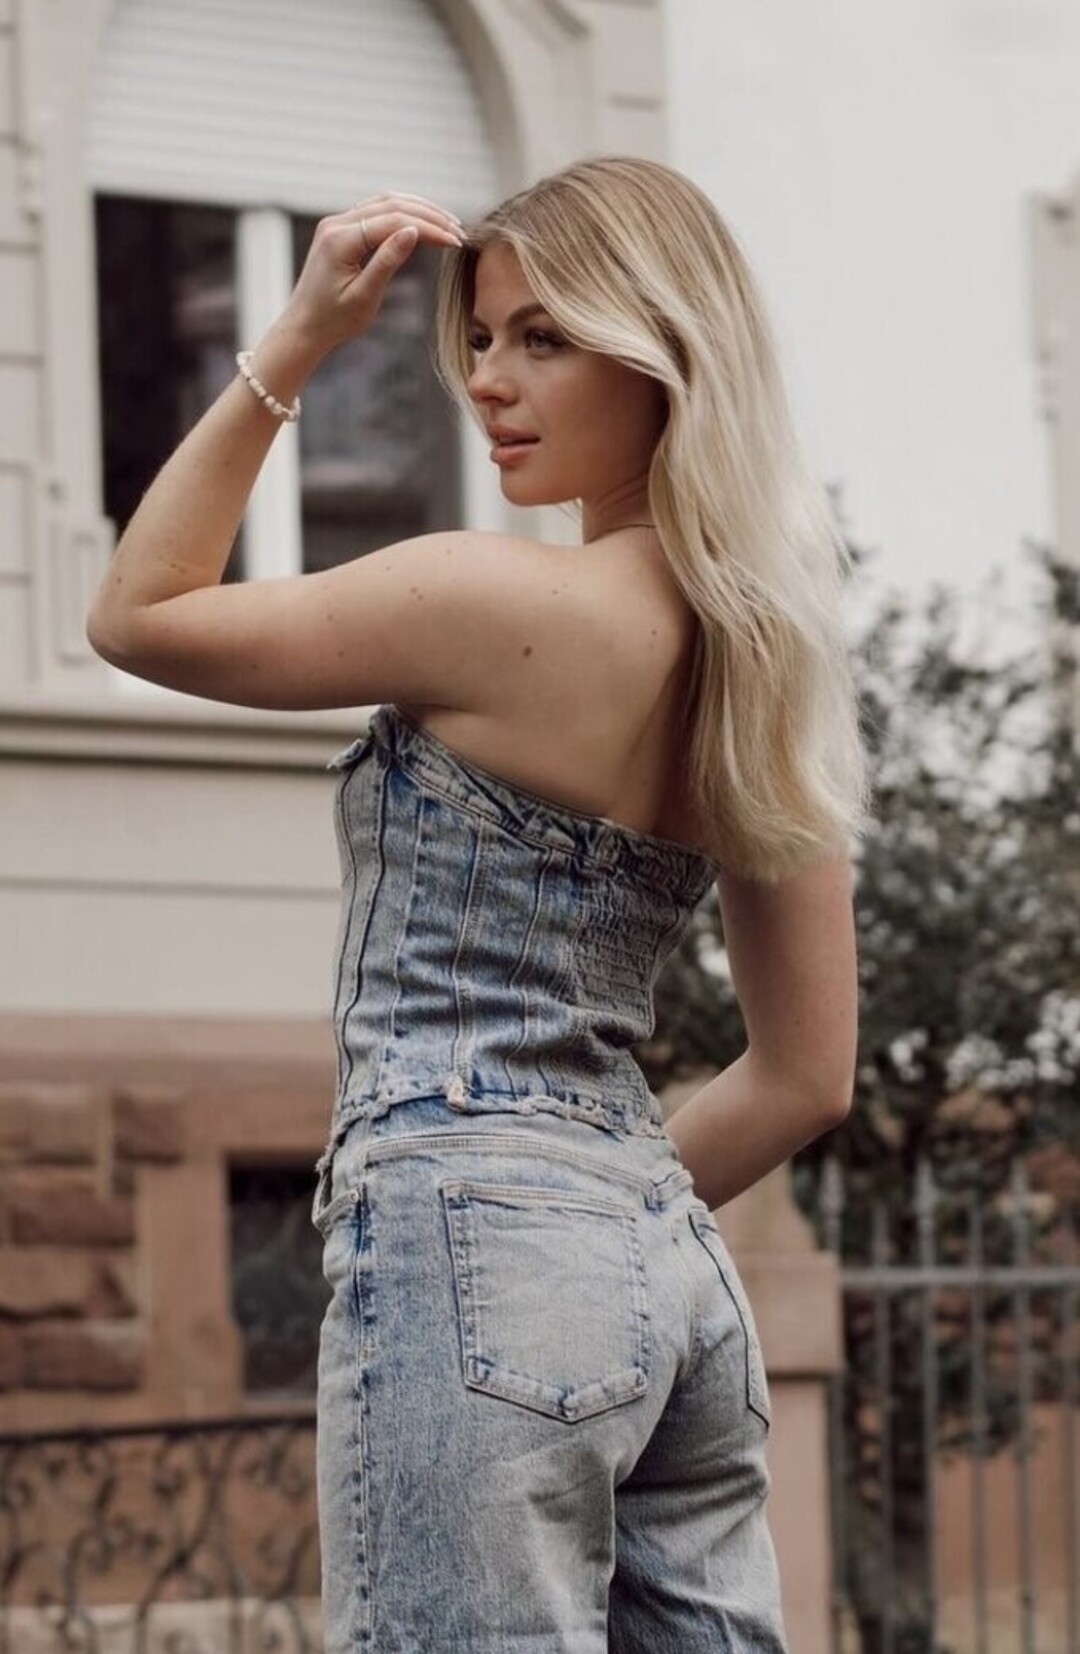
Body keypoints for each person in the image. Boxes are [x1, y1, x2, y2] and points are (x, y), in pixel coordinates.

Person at [87, 156, 865, 1652]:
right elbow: (804, 1075)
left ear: (663, 351)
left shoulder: (491, 602)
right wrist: (602, 1211)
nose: (490, 380)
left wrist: (295, 343)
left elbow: (139, 612)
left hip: (476, 1243)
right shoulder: (772, 665)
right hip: (672, 1279)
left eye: (545, 338)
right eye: (485, 337)